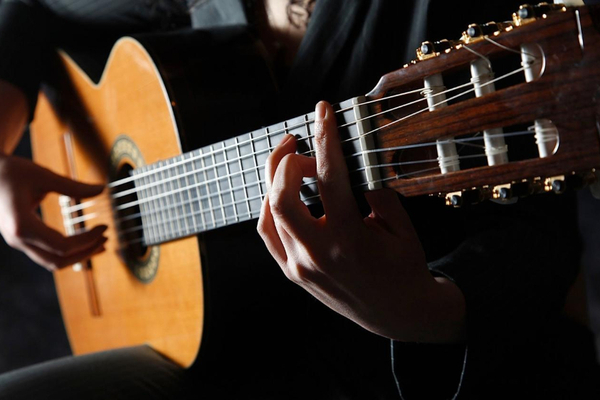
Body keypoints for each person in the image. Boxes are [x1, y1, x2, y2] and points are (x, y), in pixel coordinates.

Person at [0, 0, 598, 398]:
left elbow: (540, 243)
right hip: (217, 337)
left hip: (366, 363)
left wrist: (426, 309)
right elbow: (25, 11)